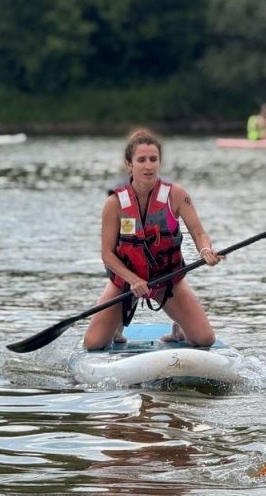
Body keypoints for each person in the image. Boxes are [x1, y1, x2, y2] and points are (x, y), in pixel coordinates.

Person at [83, 129, 223, 351]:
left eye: (153, 159)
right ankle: (117, 326)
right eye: (141, 160)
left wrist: (205, 250)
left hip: (167, 281)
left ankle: (179, 328)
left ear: (160, 162)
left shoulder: (176, 195)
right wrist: (133, 280)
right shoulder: (114, 203)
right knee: (93, 344)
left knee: (205, 339)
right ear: (129, 164)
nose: (148, 166)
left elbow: (198, 232)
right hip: (126, 284)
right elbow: (107, 255)